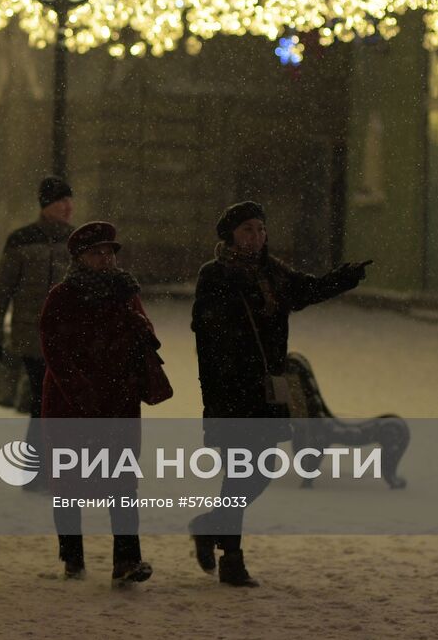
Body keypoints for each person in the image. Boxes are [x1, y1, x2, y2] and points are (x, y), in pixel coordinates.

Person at [190, 201, 370, 587]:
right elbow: (207, 336)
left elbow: (308, 290)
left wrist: (345, 278)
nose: (256, 237)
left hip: (268, 390)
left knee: (263, 469)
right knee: (239, 473)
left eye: (260, 229)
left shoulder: (273, 272)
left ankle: (209, 526)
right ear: (230, 236)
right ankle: (232, 559)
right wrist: (222, 383)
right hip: (231, 391)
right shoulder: (216, 275)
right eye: (247, 230)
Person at [40, 221, 159, 584]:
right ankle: (72, 557)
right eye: (97, 253)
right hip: (72, 404)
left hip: (119, 400)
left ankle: (127, 559)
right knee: (69, 482)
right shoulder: (63, 296)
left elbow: (146, 332)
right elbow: (55, 351)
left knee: (122, 481)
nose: (106, 259)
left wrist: (142, 334)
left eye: (109, 252)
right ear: (79, 258)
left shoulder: (125, 292)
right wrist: (82, 393)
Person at [0, 176, 75, 479]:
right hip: (32, 337)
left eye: (69, 200)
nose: (68, 206)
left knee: (50, 404)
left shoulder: (77, 241)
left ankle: (40, 471)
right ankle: (42, 471)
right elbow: (1, 293)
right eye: (61, 201)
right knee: (44, 401)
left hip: (66, 338)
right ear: (46, 204)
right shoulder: (21, 240)